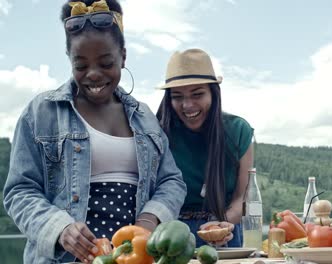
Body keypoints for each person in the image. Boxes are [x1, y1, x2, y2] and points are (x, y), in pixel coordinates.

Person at [2, 1, 186, 263]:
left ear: (123, 55)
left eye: (106, 63)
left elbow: (172, 181)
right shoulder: (40, 112)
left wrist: (149, 218)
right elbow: (19, 190)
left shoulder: (145, 117)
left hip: (135, 258)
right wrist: (60, 228)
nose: (94, 75)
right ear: (69, 59)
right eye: (81, 65)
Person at [156, 48, 254, 247]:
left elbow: (242, 197)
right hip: (171, 236)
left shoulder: (239, 131)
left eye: (197, 94)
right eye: (177, 97)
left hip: (224, 232)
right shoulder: (157, 134)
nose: (187, 105)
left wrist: (221, 225)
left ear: (213, 94)